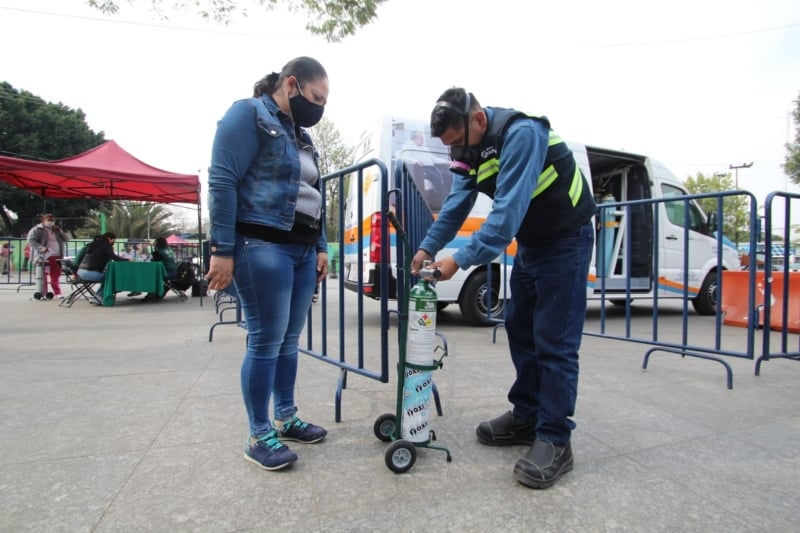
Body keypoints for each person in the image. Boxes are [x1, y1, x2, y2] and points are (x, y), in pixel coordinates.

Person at [410, 88, 596, 490]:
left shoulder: (523, 135)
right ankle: (527, 416)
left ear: (478, 120)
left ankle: (555, 438)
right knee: (520, 328)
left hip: (566, 238)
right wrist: (428, 246)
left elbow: (506, 216)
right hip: (534, 243)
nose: (455, 152)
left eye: (457, 142)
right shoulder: (468, 147)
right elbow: (457, 203)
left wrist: (457, 259)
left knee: (555, 340)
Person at [205, 56, 330, 471]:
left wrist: (323, 245)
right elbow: (223, 179)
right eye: (316, 97)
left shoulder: (303, 136)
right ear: (291, 84)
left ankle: (286, 417)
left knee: (289, 340)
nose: (320, 107)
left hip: (301, 248)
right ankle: (258, 435)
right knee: (265, 339)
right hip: (260, 243)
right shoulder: (249, 114)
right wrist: (222, 248)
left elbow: (314, 192)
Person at [77, 232, 128, 305]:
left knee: (106, 277)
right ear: (109, 238)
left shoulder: (93, 245)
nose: (114, 242)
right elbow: (115, 258)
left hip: (80, 272)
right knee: (110, 278)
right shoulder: (106, 246)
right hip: (90, 272)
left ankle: (97, 296)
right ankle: (99, 296)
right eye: (113, 240)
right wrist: (127, 260)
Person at [26, 213, 69, 298]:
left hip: (57, 255)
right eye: (49, 220)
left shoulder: (56, 230)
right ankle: (43, 293)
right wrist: (41, 248)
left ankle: (57, 292)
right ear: (43, 220)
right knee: (43, 275)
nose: (51, 222)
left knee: (55, 275)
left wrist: (60, 230)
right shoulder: (37, 229)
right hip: (44, 256)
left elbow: (66, 239)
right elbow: (30, 241)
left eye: (52, 220)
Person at [144, 236, 178, 302]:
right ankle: (157, 293)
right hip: (174, 271)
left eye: (155, 242)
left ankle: (152, 294)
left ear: (158, 243)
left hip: (166, 272)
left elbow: (152, 262)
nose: (153, 243)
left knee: (149, 276)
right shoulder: (168, 249)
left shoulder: (158, 252)